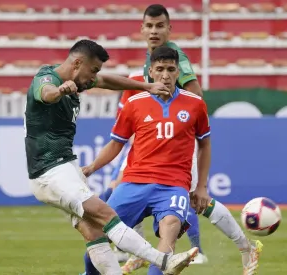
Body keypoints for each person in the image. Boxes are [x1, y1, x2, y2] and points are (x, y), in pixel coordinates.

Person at [84, 4, 263, 275]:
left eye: (160, 26)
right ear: (142, 29)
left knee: (197, 200)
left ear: (169, 29)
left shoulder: (176, 57)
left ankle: (243, 246)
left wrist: (179, 118)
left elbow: (195, 99)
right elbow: (119, 101)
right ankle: (142, 252)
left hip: (176, 140)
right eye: (150, 26)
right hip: (149, 146)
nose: (155, 31)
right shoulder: (148, 64)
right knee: (120, 195)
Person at [24, 39, 198, 275]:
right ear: (77, 63)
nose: (94, 77)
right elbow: (46, 94)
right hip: (49, 171)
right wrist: (60, 91)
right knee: (107, 215)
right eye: (93, 70)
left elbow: (107, 81)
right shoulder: (47, 79)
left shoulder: (79, 79)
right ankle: (163, 261)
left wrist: (145, 87)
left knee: (94, 232)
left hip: (66, 166)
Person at [82, 46, 208, 275]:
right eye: (160, 69)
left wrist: (201, 187)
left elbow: (205, 144)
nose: (165, 75)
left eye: (171, 69)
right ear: (151, 71)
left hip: (173, 185)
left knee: (170, 228)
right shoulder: (134, 103)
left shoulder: (195, 104)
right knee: (98, 235)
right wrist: (91, 167)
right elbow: (116, 144)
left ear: (178, 72)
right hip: (133, 182)